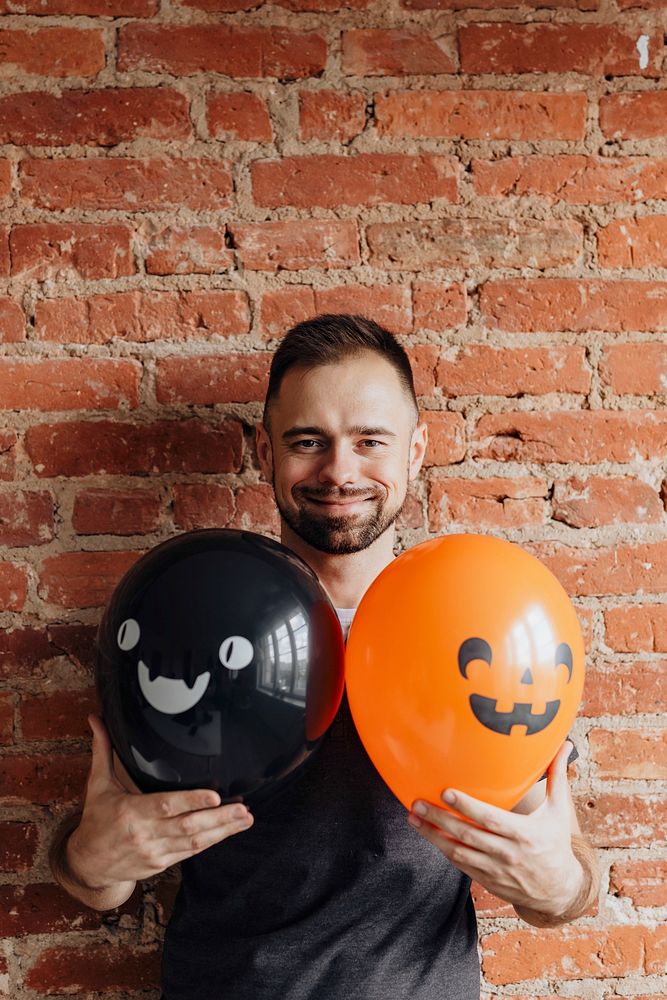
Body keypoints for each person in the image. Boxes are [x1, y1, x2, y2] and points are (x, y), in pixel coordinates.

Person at [51, 314, 600, 1000]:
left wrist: (560, 884)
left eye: (370, 441)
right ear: (264, 452)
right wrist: (89, 858)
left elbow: (566, 879)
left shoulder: (478, 628)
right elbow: (93, 878)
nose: (339, 471)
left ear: (416, 449)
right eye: (308, 441)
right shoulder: (187, 616)